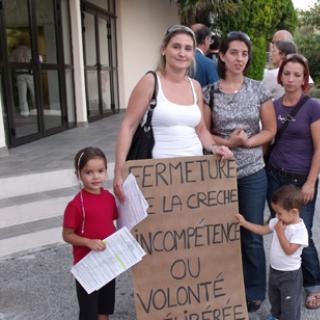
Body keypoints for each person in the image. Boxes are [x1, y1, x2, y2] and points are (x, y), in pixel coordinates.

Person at [113, 25, 232, 202]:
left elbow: (200, 130)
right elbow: (128, 126)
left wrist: (215, 147)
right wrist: (119, 171)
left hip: (193, 174)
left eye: (187, 48)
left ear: (193, 54)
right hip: (156, 176)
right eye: (176, 46)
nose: (182, 53)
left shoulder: (196, 87)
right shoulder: (150, 82)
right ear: (164, 49)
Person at [202, 31, 276, 312]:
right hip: (218, 172)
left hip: (252, 171)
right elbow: (205, 133)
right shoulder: (210, 92)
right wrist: (227, 143)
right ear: (221, 55)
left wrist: (247, 142)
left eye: (244, 54)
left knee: (250, 233)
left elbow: (270, 130)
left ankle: (254, 290)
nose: (239, 59)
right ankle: (223, 285)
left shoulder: (258, 89)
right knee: (220, 232)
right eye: (233, 52)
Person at [266, 53, 320, 309]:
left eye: (297, 75)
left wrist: (311, 182)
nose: (291, 79)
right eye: (287, 73)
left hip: (301, 179)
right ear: (280, 76)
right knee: (279, 227)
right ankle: (285, 278)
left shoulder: (313, 107)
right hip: (275, 176)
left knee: (303, 233)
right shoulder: (272, 105)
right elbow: (267, 140)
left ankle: (313, 284)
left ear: (304, 79)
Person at [236, 184, 308, 320]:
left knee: (289, 304)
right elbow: (263, 230)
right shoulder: (278, 221)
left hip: (290, 275)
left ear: (293, 212)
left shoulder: (300, 230)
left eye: (279, 213)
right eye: (276, 212)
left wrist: (280, 232)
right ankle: (275, 315)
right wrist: (245, 223)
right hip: (275, 270)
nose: (276, 216)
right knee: (274, 297)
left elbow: (289, 250)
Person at [63, 147, 118, 320]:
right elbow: (67, 235)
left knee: (105, 307)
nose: (95, 177)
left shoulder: (109, 198)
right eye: (89, 172)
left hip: (108, 262)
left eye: (100, 171)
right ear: (78, 174)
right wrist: (88, 242)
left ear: (106, 172)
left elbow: (112, 223)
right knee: (89, 311)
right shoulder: (75, 205)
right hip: (87, 266)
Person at [9, 35, 35, 117]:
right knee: (34, 93)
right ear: (25, 42)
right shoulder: (30, 50)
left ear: (18, 43)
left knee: (22, 95)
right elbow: (37, 61)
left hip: (19, 75)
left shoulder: (14, 52)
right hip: (30, 74)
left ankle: (25, 112)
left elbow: (10, 63)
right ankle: (36, 110)